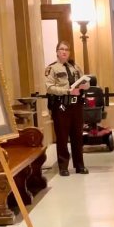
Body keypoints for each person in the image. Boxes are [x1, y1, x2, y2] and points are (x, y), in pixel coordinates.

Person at [44, 41, 89, 176]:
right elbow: (49, 87)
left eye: (67, 49)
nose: (64, 52)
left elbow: (85, 82)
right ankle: (63, 166)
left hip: (76, 106)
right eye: (61, 49)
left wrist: (83, 86)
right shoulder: (52, 68)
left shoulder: (75, 67)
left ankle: (79, 165)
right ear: (57, 52)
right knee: (62, 137)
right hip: (61, 106)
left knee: (77, 136)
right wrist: (67, 91)